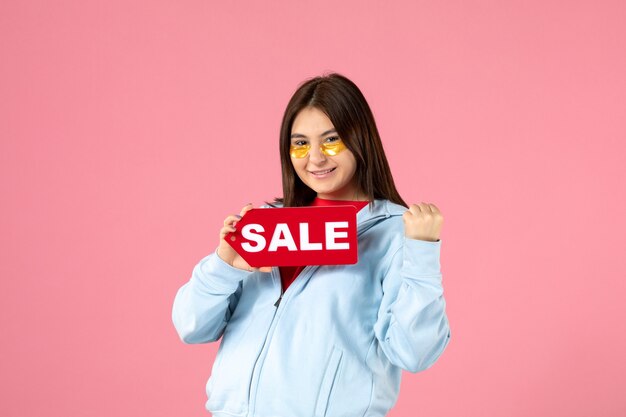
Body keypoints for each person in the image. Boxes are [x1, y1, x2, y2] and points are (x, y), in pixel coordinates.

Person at [172, 72, 451, 417]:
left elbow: (416, 352)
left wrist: (422, 255)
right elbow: (191, 326)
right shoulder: (267, 224)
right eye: (300, 143)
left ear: (360, 140)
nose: (315, 158)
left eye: (331, 140)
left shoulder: (393, 233)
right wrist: (223, 266)